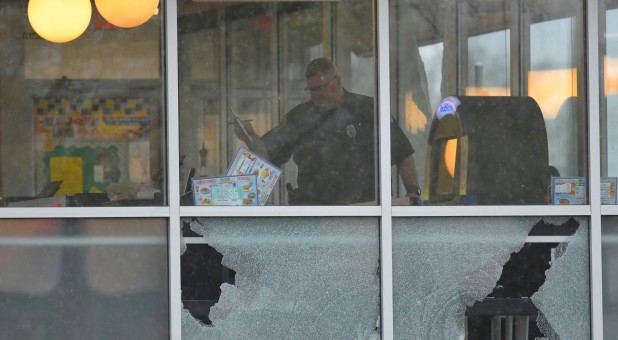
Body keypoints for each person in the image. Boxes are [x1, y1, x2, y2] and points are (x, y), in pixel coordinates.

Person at [234, 57, 421, 205]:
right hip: (316, 214)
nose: (317, 95)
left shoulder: (370, 110)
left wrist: (413, 193)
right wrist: (249, 136)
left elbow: (403, 154)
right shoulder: (301, 117)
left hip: (367, 212)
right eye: (311, 90)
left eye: (321, 88)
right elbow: (267, 155)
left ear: (337, 81)